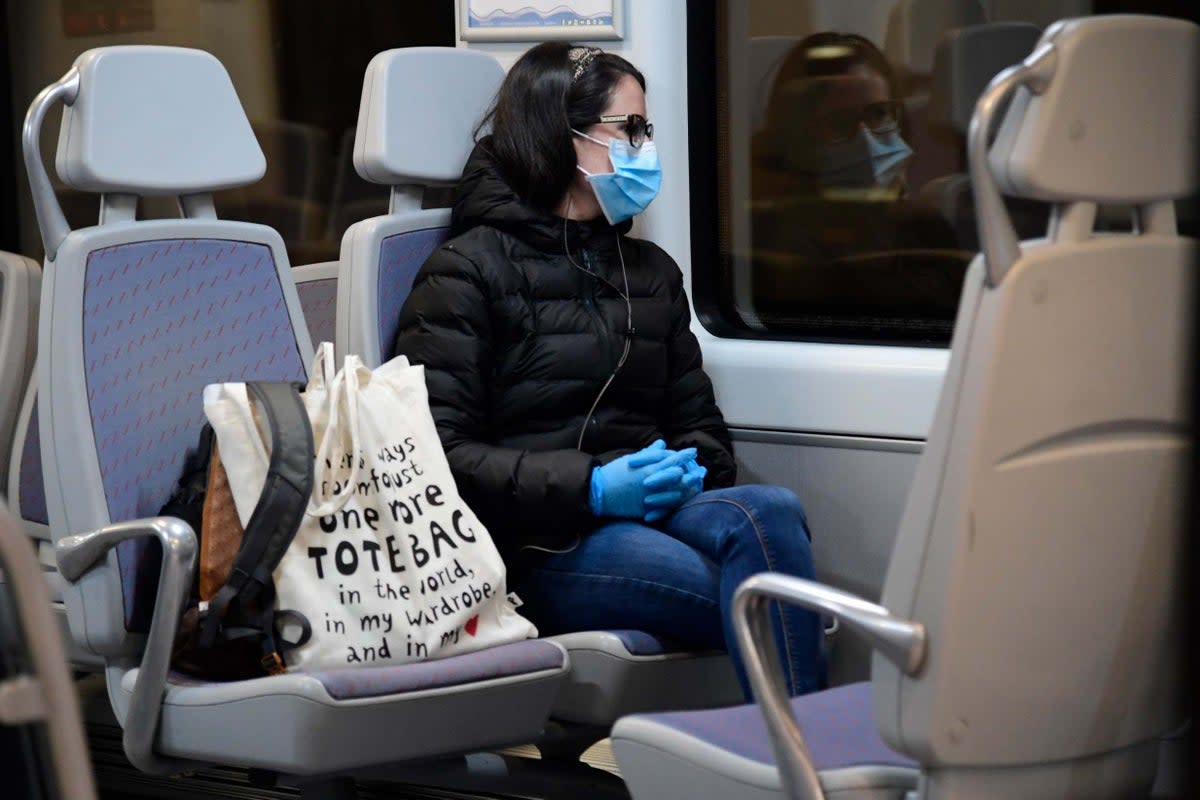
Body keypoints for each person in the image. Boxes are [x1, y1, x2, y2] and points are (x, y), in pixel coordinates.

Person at [391, 42, 822, 698]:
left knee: (769, 513)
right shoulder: (466, 271)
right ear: (562, 139)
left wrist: (684, 471)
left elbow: (699, 423)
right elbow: (435, 460)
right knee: (767, 599)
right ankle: (801, 759)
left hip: (645, 515)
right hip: (536, 544)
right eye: (631, 130)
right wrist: (591, 487)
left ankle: (792, 757)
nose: (645, 146)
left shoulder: (648, 272)